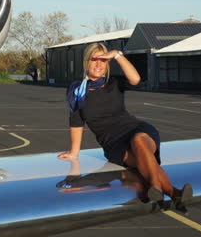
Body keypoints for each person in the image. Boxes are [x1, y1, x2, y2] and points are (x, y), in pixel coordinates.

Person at [57, 42, 192, 211]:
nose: (99, 64)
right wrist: (74, 152)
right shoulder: (77, 90)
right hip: (114, 145)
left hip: (136, 129)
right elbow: (76, 121)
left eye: (103, 61)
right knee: (147, 163)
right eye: (94, 60)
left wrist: (117, 55)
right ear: (86, 62)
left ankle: (156, 188)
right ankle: (174, 193)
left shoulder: (115, 83)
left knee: (139, 140)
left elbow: (135, 79)